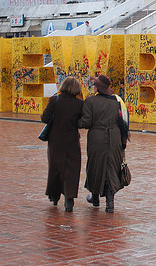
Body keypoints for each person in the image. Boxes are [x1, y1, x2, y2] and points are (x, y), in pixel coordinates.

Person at [79, 74, 129, 213]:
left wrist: (75, 122)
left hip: (97, 137)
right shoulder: (117, 101)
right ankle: (110, 203)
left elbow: (86, 122)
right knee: (111, 167)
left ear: (98, 88)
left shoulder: (90, 101)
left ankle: (95, 198)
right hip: (115, 137)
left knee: (95, 166)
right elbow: (123, 121)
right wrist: (123, 141)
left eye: (95, 85)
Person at [40, 76, 84, 212]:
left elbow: (44, 118)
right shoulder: (80, 104)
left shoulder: (54, 100)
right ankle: (69, 197)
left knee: (55, 167)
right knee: (72, 169)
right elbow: (82, 122)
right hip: (72, 141)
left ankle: (54, 195)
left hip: (55, 141)